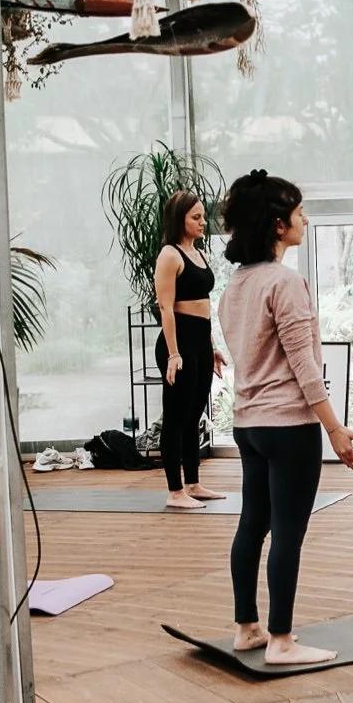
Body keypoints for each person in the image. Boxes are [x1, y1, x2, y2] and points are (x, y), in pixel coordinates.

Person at [216, 170, 353, 665]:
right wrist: (335, 428)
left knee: (251, 524)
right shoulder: (285, 282)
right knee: (287, 532)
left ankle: (247, 629)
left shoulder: (234, 286)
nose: (306, 219)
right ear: (279, 225)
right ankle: (281, 641)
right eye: (299, 212)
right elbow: (304, 365)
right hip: (289, 427)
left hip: (248, 424)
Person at [152, 189, 226, 509]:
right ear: (179, 220)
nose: (202, 222)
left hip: (200, 342)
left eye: (202, 216)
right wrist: (173, 354)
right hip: (177, 344)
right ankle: (174, 491)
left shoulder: (198, 252)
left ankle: (193, 484)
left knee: (194, 415)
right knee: (176, 417)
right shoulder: (170, 255)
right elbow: (166, 308)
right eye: (195, 217)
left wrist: (212, 347)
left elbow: (204, 307)